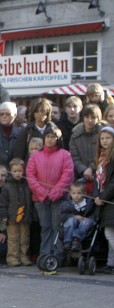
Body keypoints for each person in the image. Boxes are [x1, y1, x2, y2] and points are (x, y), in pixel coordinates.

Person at [26, 123, 74, 267]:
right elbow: (30, 176)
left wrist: (54, 193)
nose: (50, 139)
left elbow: (67, 176)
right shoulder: (35, 156)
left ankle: (58, 255)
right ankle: (45, 255)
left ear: (58, 139)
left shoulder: (65, 155)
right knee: (45, 226)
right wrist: (43, 193)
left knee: (57, 227)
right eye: (48, 136)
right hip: (41, 199)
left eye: (53, 137)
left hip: (59, 198)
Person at [0, 158, 32, 267]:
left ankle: (24, 257)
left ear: (24, 171)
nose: (18, 173)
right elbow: (2, 203)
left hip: (25, 217)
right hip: (11, 218)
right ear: (10, 172)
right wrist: (3, 215)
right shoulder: (7, 186)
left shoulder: (27, 184)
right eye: (15, 171)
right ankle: (12, 258)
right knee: (13, 239)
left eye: (20, 171)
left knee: (24, 238)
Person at [94, 126, 114, 273]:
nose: (105, 141)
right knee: (110, 233)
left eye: (108, 138)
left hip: (110, 200)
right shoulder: (101, 157)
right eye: (102, 138)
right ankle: (111, 263)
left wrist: (103, 197)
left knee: (109, 233)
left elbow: (113, 183)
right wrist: (97, 196)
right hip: (104, 200)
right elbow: (98, 180)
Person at [12, 98, 52, 164]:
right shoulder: (26, 131)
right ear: (33, 113)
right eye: (37, 111)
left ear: (47, 112)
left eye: (42, 111)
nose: (40, 114)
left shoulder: (54, 130)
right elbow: (18, 154)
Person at [69, 104, 103, 181]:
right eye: (87, 117)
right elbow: (74, 157)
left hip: (100, 175)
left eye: (93, 117)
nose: (89, 120)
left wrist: (91, 168)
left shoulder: (103, 135)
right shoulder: (75, 135)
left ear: (98, 119)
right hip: (80, 175)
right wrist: (84, 170)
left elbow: (103, 155)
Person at [60, 180, 96, 254]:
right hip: (72, 223)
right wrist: (74, 216)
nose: (76, 195)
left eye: (79, 193)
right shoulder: (67, 204)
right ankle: (68, 241)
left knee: (86, 222)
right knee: (71, 221)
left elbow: (94, 214)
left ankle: (76, 239)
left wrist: (87, 218)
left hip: (85, 222)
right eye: (74, 193)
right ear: (70, 193)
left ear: (84, 193)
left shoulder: (90, 203)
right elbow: (62, 216)